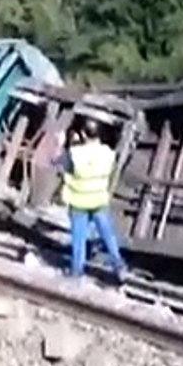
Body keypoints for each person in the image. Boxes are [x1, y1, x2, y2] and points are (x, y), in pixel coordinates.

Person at [55, 118, 129, 282]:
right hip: (98, 200)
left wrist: (60, 144)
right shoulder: (108, 154)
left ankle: (77, 270)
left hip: (78, 201)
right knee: (107, 235)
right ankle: (119, 265)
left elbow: (58, 163)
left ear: (82, 134)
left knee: (79, 237)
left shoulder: (75, 154)